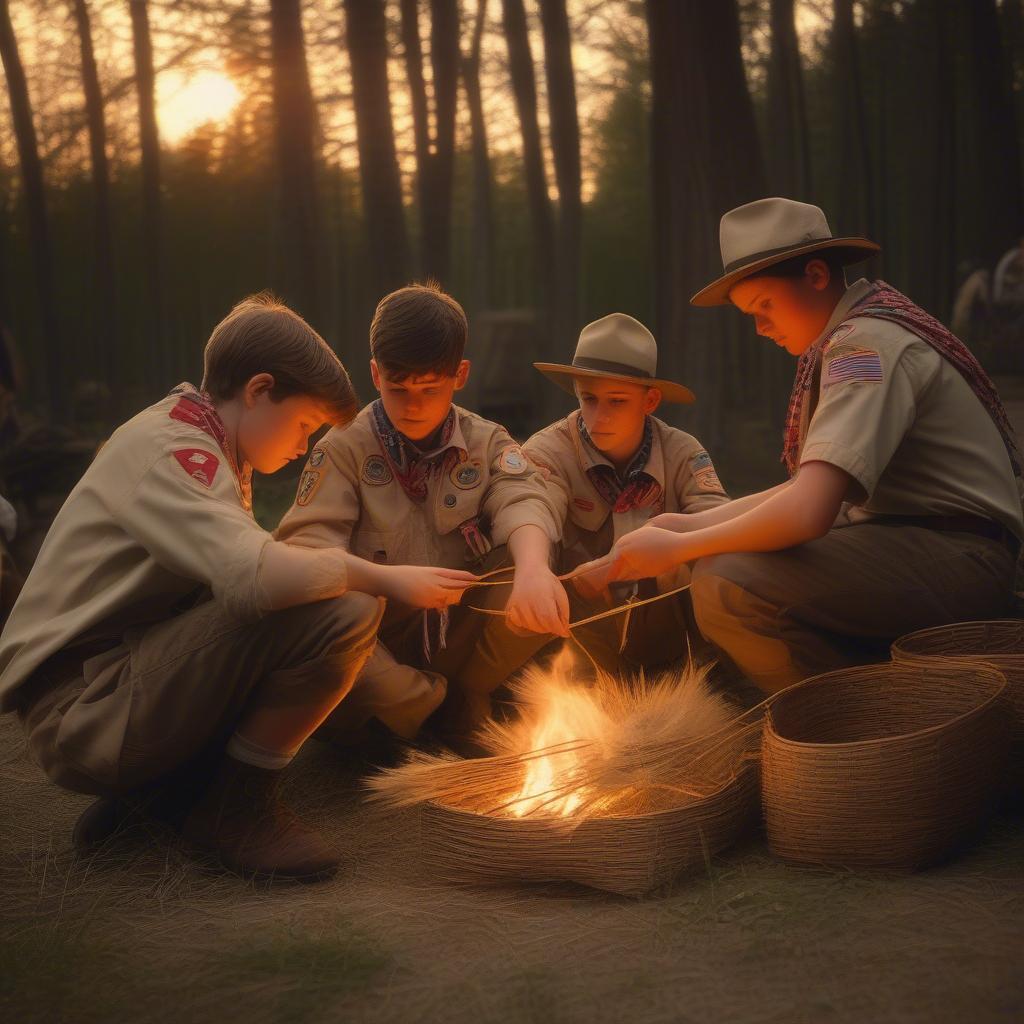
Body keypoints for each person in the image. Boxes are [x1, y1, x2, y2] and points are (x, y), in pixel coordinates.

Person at [0, 294, 477, 879]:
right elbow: (257, 580)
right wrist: (383, 577)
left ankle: (165, 796)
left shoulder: (199, 442)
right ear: (258, 390)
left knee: (295, 602)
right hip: (82, 706)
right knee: (344, 608)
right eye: (303, 424)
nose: (304, 446)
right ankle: (234, 809)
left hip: (116, 676)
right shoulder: (173, 453)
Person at [575, 198, 1022, 693]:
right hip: (913, 542)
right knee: (710, 561)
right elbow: (809, 489)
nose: (760, 327)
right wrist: (686, 524)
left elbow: (810, 510)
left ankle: (843, 729)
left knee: (727, 584)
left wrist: (680, 545)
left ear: (815, 275)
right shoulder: (856, 336)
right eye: (751, 314)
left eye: (764, 305)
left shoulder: (865, 346)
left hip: (960, 555)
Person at [276, 282, 566, 745]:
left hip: (457, 636)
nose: (413, 405)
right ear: (374, 374)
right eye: (398, 388)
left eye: (430, 388)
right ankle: (434, 710)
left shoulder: (485, 440)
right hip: (373, 651)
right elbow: (307, 553)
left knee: (538, 562)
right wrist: (386, 582)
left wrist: (534, 570)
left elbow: (524, 497)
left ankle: (470, 694)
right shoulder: (345, 447)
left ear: (461, 374)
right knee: (327, 607)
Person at [524, 312, 730, 674]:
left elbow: (718, 525)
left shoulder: (682, 452)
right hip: (578, 631)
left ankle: (705, 673)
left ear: (650, 401)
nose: (599, 416)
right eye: (588, 399)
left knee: (714, 562)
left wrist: (623, 564)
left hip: (667, 627)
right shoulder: (548, 452)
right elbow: (535, 511)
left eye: (617, 401)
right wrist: (537, 568)